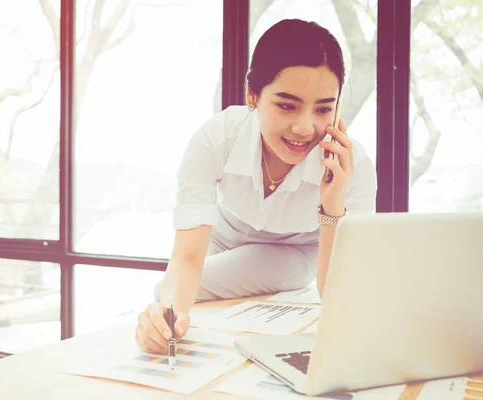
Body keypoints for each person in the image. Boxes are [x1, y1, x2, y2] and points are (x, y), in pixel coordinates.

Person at [135, 19, 377, 354]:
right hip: (224, 237)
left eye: (324, 108)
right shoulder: (216, 139)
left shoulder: (356, 167)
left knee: (169, 289)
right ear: (252, 95)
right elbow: (188, 256)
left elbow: (339, 296)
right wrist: (166, 323)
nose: (305, 127)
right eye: (286, 105)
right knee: (169, 298)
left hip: (296, 254)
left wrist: (333, 205)